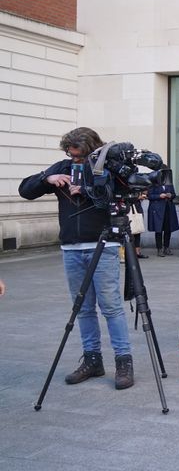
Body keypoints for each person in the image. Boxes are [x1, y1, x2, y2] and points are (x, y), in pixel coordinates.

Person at [18, 127, 135, 390]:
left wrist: (90, 188)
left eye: (80, 157)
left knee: (111, 307)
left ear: (92, 150)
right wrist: (48, 179)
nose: (75, 161)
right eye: (72, 157)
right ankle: (92, 359)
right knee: (83, 308)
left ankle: (123, 361)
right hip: (71, 248)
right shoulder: (64, 165)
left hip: (102, 244)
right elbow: (25, 189)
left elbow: (126, 192)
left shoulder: (108, 165)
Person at [147, 181, 178, 257]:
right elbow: (150, 196)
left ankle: (166, 247)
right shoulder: (153, 184)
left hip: (168, 208)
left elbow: (174, 194)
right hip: (158, 209)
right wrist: (159, 196)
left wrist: (171, 195)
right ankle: (159, 249)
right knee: (159, 229)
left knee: (168, 228)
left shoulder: (169, 183)